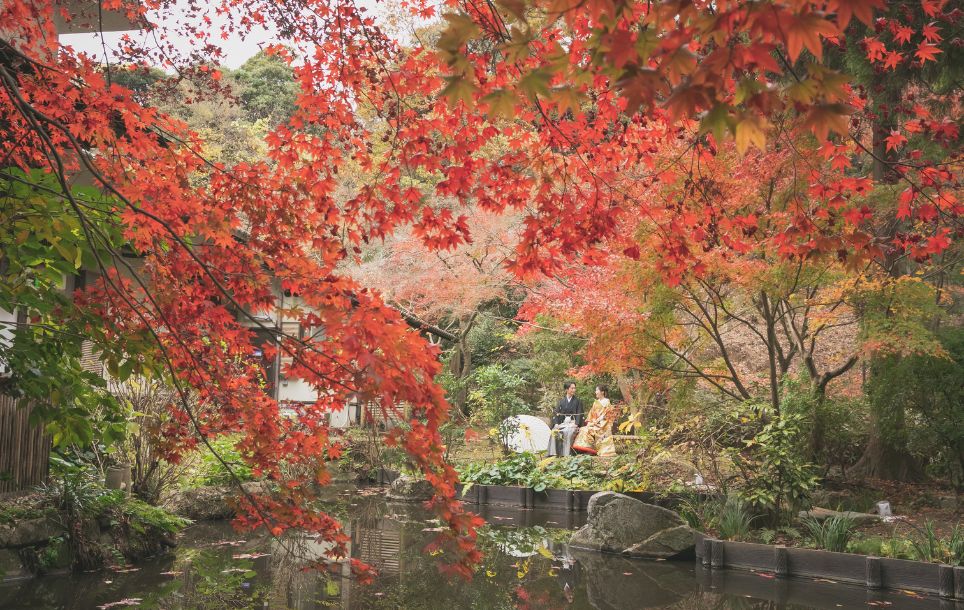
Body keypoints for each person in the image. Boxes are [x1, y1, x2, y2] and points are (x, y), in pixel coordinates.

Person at [571, 385, 617, 456]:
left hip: (603, 425)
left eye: (597, 390)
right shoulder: (596, 402)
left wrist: (598, 422)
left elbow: (608, 415)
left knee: (589, 430)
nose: (595, 392)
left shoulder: (607, 402)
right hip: (595, 422)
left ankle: (593, 450)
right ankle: (588, 449)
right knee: (583, 429)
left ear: (602, 392)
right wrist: (590, 422)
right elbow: (591, 414)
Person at [547, 381, 583, 457]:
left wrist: (576, 424)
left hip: (573, 424)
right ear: (567, 389)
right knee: (554, 432)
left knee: (568, 432)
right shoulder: (561, 401)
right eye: (572, 388)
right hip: (563, 423)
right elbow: (556, 413)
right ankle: (553, 453)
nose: (574, 390)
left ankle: (566, 453)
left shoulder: (578, 401)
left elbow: (579, 414)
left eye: (574, 388)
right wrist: (556, 423)